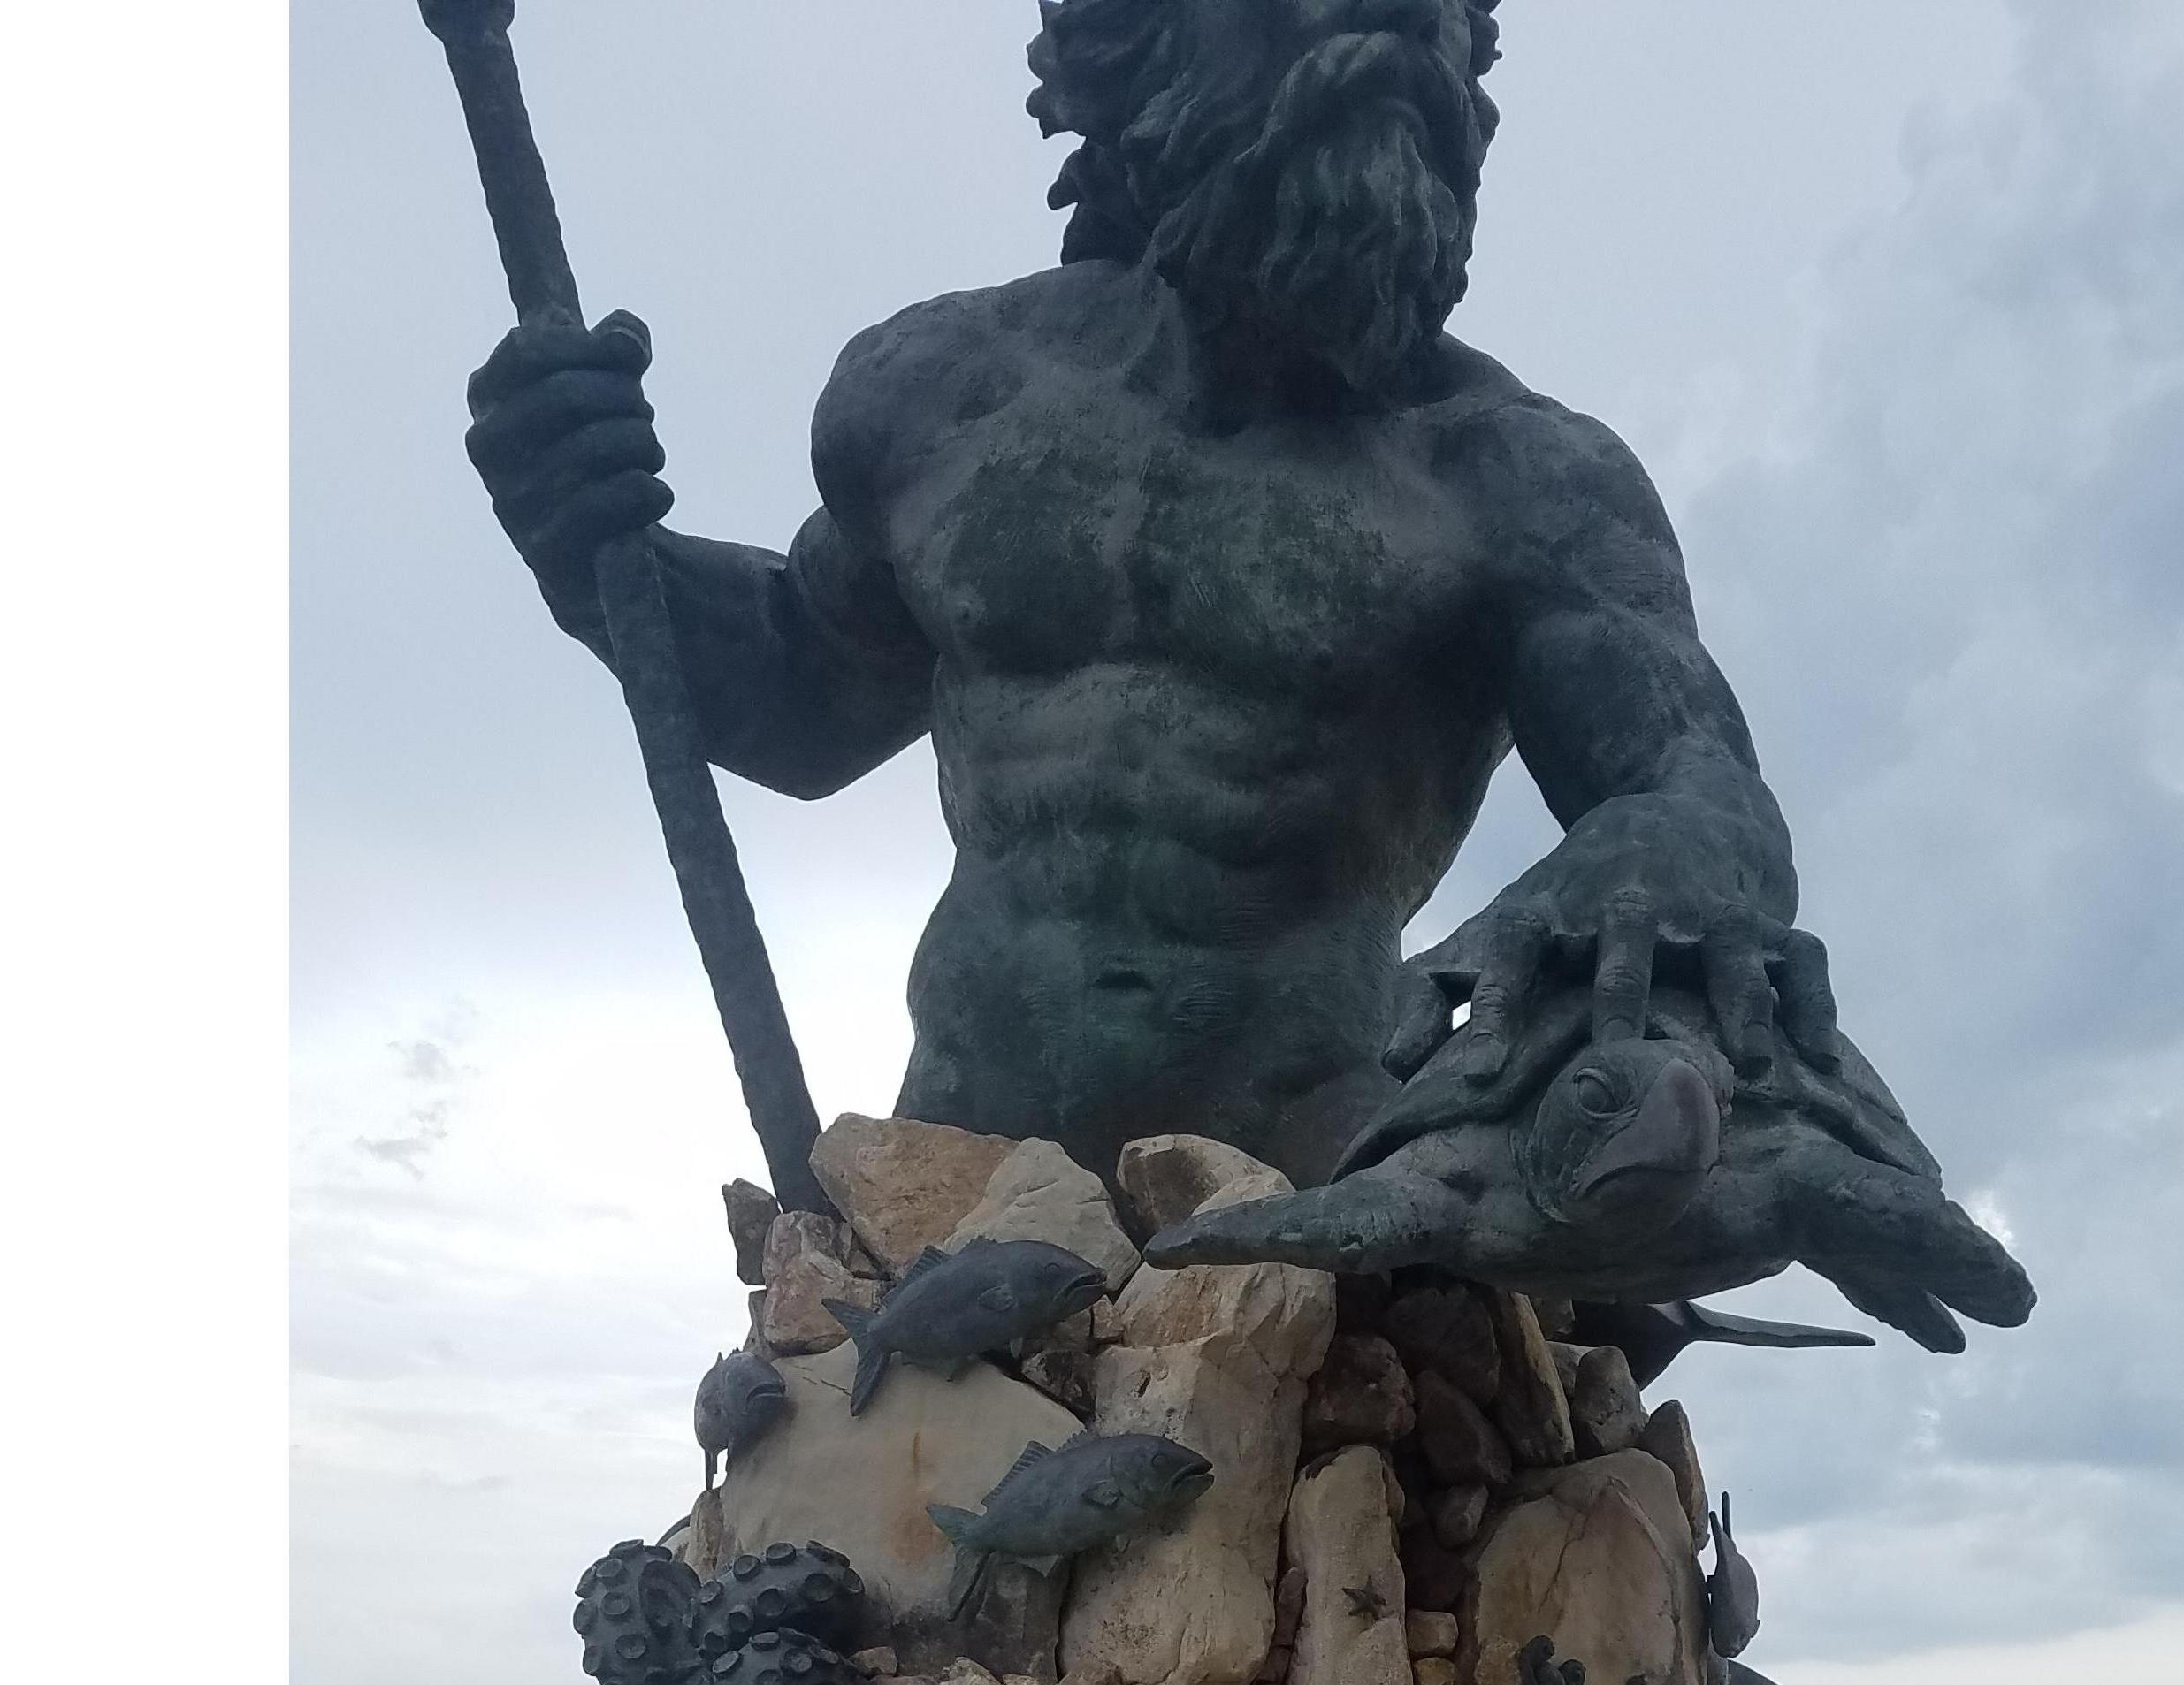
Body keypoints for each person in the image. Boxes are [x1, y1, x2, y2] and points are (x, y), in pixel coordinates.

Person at [455, 0, 2030, 1349]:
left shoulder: (1513, 483)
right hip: (959, 1193)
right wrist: (594, 552)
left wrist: (1651, 855)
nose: (1397, 35)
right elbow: (802, 700)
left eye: (1443, 23)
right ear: (1129, 49)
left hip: (1316, 1215)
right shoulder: (940, 399)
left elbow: (1688, 778)